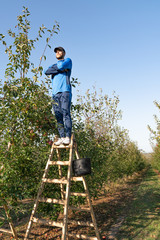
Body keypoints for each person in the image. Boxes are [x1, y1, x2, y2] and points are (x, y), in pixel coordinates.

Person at [44, 47, 72, 145]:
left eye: (59, 51)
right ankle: (62, 137)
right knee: (58, 116)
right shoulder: (54, 64)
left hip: (65, 91)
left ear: (64, 53)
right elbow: (46, 71)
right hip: (55, 94)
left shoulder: (68, 61)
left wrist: (57, 69)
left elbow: (60, 66)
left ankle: (68, 136)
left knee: (65, 113)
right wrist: (60, 69)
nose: (57, 53)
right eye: (56, 52)